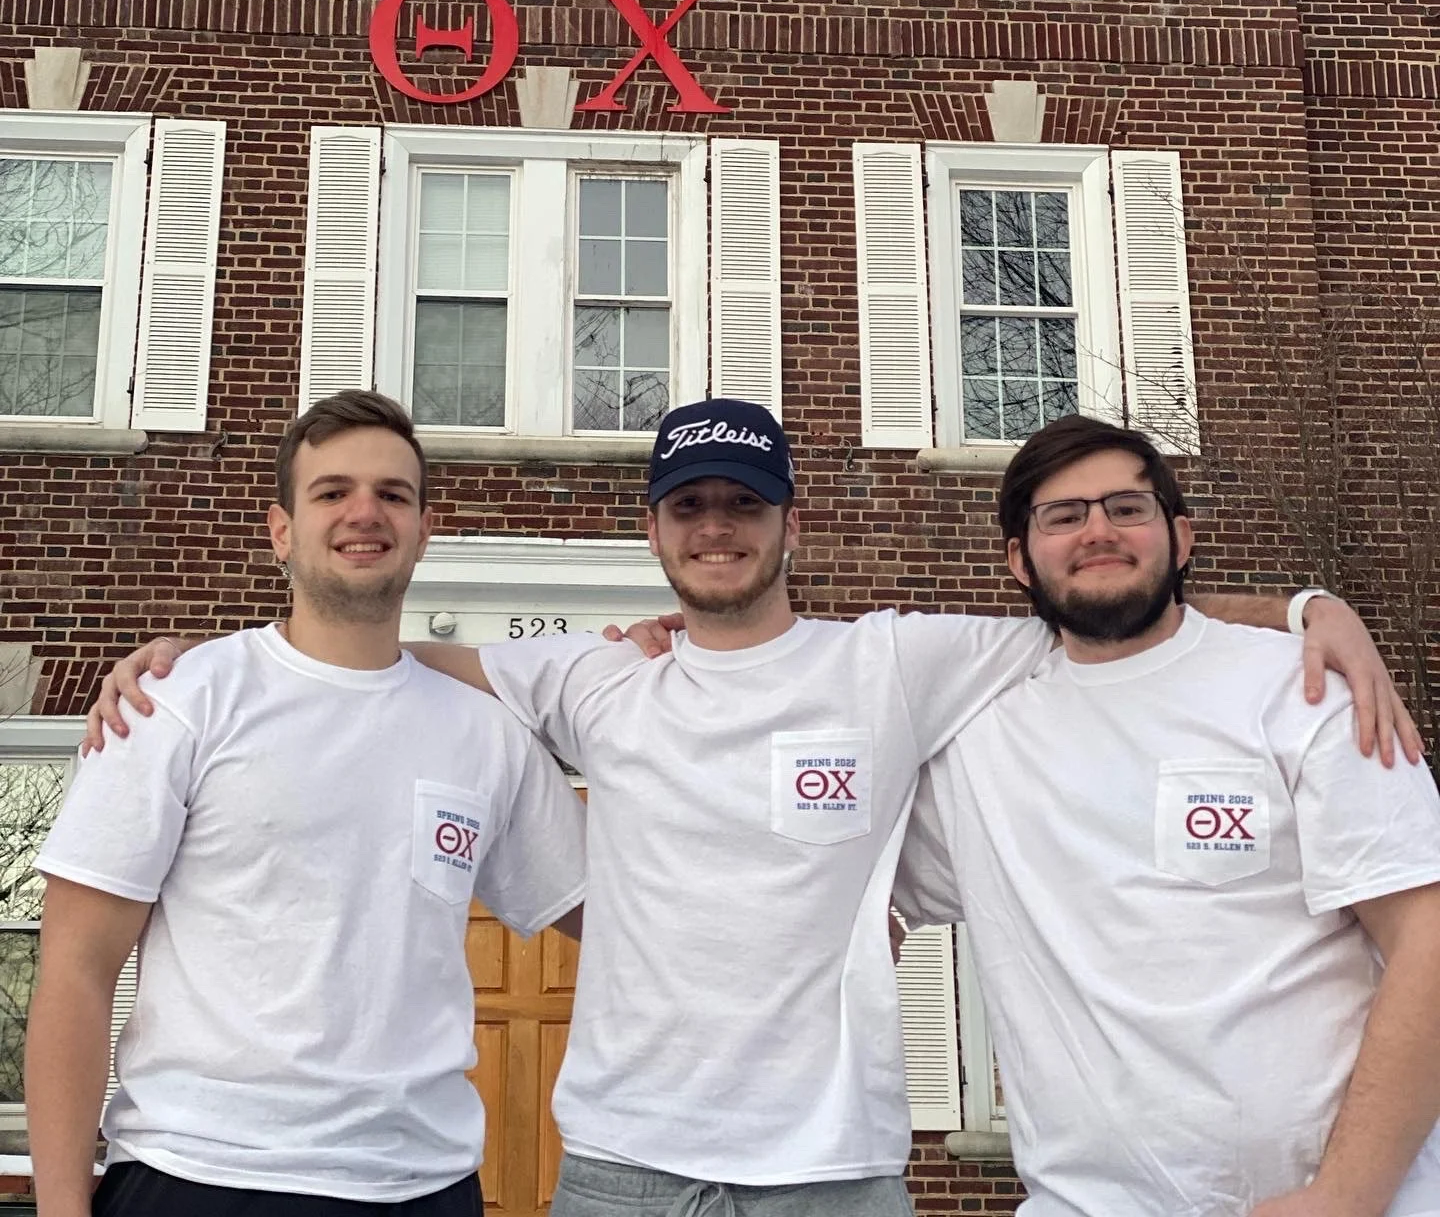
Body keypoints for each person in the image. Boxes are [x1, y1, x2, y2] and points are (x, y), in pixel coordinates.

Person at [86, 397, 1420, 1217]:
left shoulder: (898, 661)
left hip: (833, 1170)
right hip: (616, 1161)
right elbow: (382, 649)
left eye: (743, 503)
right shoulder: (592, 674)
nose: (715, 527)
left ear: (790, 521)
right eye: (689, 506)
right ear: (656, 530)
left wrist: (1310, 610)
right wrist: (197, 658)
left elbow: (1111, 610)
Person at [27, 392, 587, 1217]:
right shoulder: (180, 702)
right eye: (332, 492)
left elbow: (619, 914)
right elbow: (76, 969)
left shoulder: (487, 736)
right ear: (281, 529)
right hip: (199, 1178)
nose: (366, 512)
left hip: (422, 1187)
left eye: (393, 494)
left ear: (425, 530)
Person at [892, 413, 1440, 1217]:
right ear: (1020, 558)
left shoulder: (1308, 688)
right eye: (1064, 515)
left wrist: (1348, 1194)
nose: (1098, 531)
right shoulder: (974, 736)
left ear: (1179, 537)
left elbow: (1427, 938)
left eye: (1127, 507)